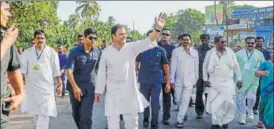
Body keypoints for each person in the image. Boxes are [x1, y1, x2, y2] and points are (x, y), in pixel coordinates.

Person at [95, 13, 167, 129]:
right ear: (113, 36)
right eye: (121, 34)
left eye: (125, 33)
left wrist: (158, 28)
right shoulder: (106, 52)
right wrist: (98, 90)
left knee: (132, 123)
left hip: (129, 91)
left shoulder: (132, 47)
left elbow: (149, 40)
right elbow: (102, 72)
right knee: (112, 123)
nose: (124, 36)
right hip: (113, 92)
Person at [20, 29, 62, 129]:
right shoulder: (27, 52)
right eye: (38, 38)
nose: (40, 40)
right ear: (34, 39)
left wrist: (59, 84)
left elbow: (56, 69)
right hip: (32, 88)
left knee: (44, 114)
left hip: (46, 88)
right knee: (36, 114)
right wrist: (22, 84)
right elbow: (22, 70)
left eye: (42, 38)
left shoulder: (51, 52)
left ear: (45, 39)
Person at [203, 36, 242, 129]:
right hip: (214, 81)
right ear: (216, 42)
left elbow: (236, 66)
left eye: (225, 42)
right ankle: (215, 122)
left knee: (226, 102)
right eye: (222, 42)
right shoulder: (210, 53)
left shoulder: (230, 52)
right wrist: (205, 79)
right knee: (215, 102)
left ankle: (225, 120)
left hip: (227, 81)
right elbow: (204, 67)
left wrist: (239, 79)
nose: (225, 44)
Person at [66, 28, 101, 129]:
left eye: (95, 38)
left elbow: (100, 70)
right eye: (91, 38)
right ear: (85, 38)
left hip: (89, 88)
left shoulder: (97, 52)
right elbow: (69, 71)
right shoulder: (74, 52)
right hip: (75, 88)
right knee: (76, 114)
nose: (93, 40)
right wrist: (75, 87)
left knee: (86, 116)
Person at [135, 30, 170, 129]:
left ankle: (154, 123)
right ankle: (146, 120)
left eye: (154, 36)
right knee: (145, 102)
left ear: (157, 37)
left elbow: (166, 67)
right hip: (144, 81)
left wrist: (167, 82)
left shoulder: (161, 50)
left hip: (156, 81)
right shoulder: (141, 50)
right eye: (150, 36)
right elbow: (136, 63)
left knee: (155, 103)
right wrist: (134, 76)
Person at [0, 2, 24, 129]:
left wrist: (20, 94)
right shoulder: (6, 40)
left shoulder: (5, 35)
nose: (9, 15)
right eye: (6, 10)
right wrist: (5, 44)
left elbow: (13, 69)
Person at [170, 33, 199, 128]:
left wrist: (196, 79)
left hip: (190, 80)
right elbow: (173, 66)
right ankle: (183, 110)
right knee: (177, 99)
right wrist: (171, 80)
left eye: (187, 39)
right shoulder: (176, 51)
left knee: (185, 100)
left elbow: (196, 66)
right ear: (180, 41)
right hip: (178, 80)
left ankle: (180, 120)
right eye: (184, 40)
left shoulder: (194, 52)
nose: (186, 41)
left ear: (190, 41)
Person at [235, 36, 265, 125]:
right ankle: (242, 116)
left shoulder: (259, 54)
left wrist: (262, 72)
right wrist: (237, 79)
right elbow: (234, 68)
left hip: (253, 81)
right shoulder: (238, 54)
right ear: (245, 43)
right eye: (248, 43)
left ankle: (250, 109)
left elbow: (263, 66)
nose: (250, 44)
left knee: (251, 98)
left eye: (252, 43)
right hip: (241, 81)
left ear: (255, 44)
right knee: (240, 100)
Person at [157, 28, 176, 125]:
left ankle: (166, 117)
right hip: (155, 76)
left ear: (169, 37)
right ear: (160, 35)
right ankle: (154, 117)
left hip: (166, 76)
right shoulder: (154, 45)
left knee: (167, 98)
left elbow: (173, 63)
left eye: (167, 35)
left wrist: (169, 76)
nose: (165, 36)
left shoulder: (173, 48)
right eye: (163, 34)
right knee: (155, 99)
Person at [255, 51, 274, 129]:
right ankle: (261, 121)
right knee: (263, 106)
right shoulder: (265, 64)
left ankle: (270, 124)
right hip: (266, 91)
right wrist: (263, 73)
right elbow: (256, 73)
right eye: (273, 54)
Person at [195, 34, 211, 119]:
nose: (205, 40)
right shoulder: (196, 50)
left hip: (210, 76)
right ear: (200, 39)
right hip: (199, 75)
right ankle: (199, 112)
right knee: (199, 94)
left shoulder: (212, 50)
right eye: (203, 38)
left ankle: (209, 109)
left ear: (208, 39)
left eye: (206, 38)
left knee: (210, 94)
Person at [253, 36, 271, 114]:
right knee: (250, 92)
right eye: (257, 41)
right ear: (255, 42)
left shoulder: (266, 53)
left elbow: (268, 64)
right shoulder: (251, 51)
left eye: (260, 41)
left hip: (262, 75)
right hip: (251, 75)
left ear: (263, 42)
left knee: (258, 92)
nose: (259, 42)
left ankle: (255, 108)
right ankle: (248, 106)